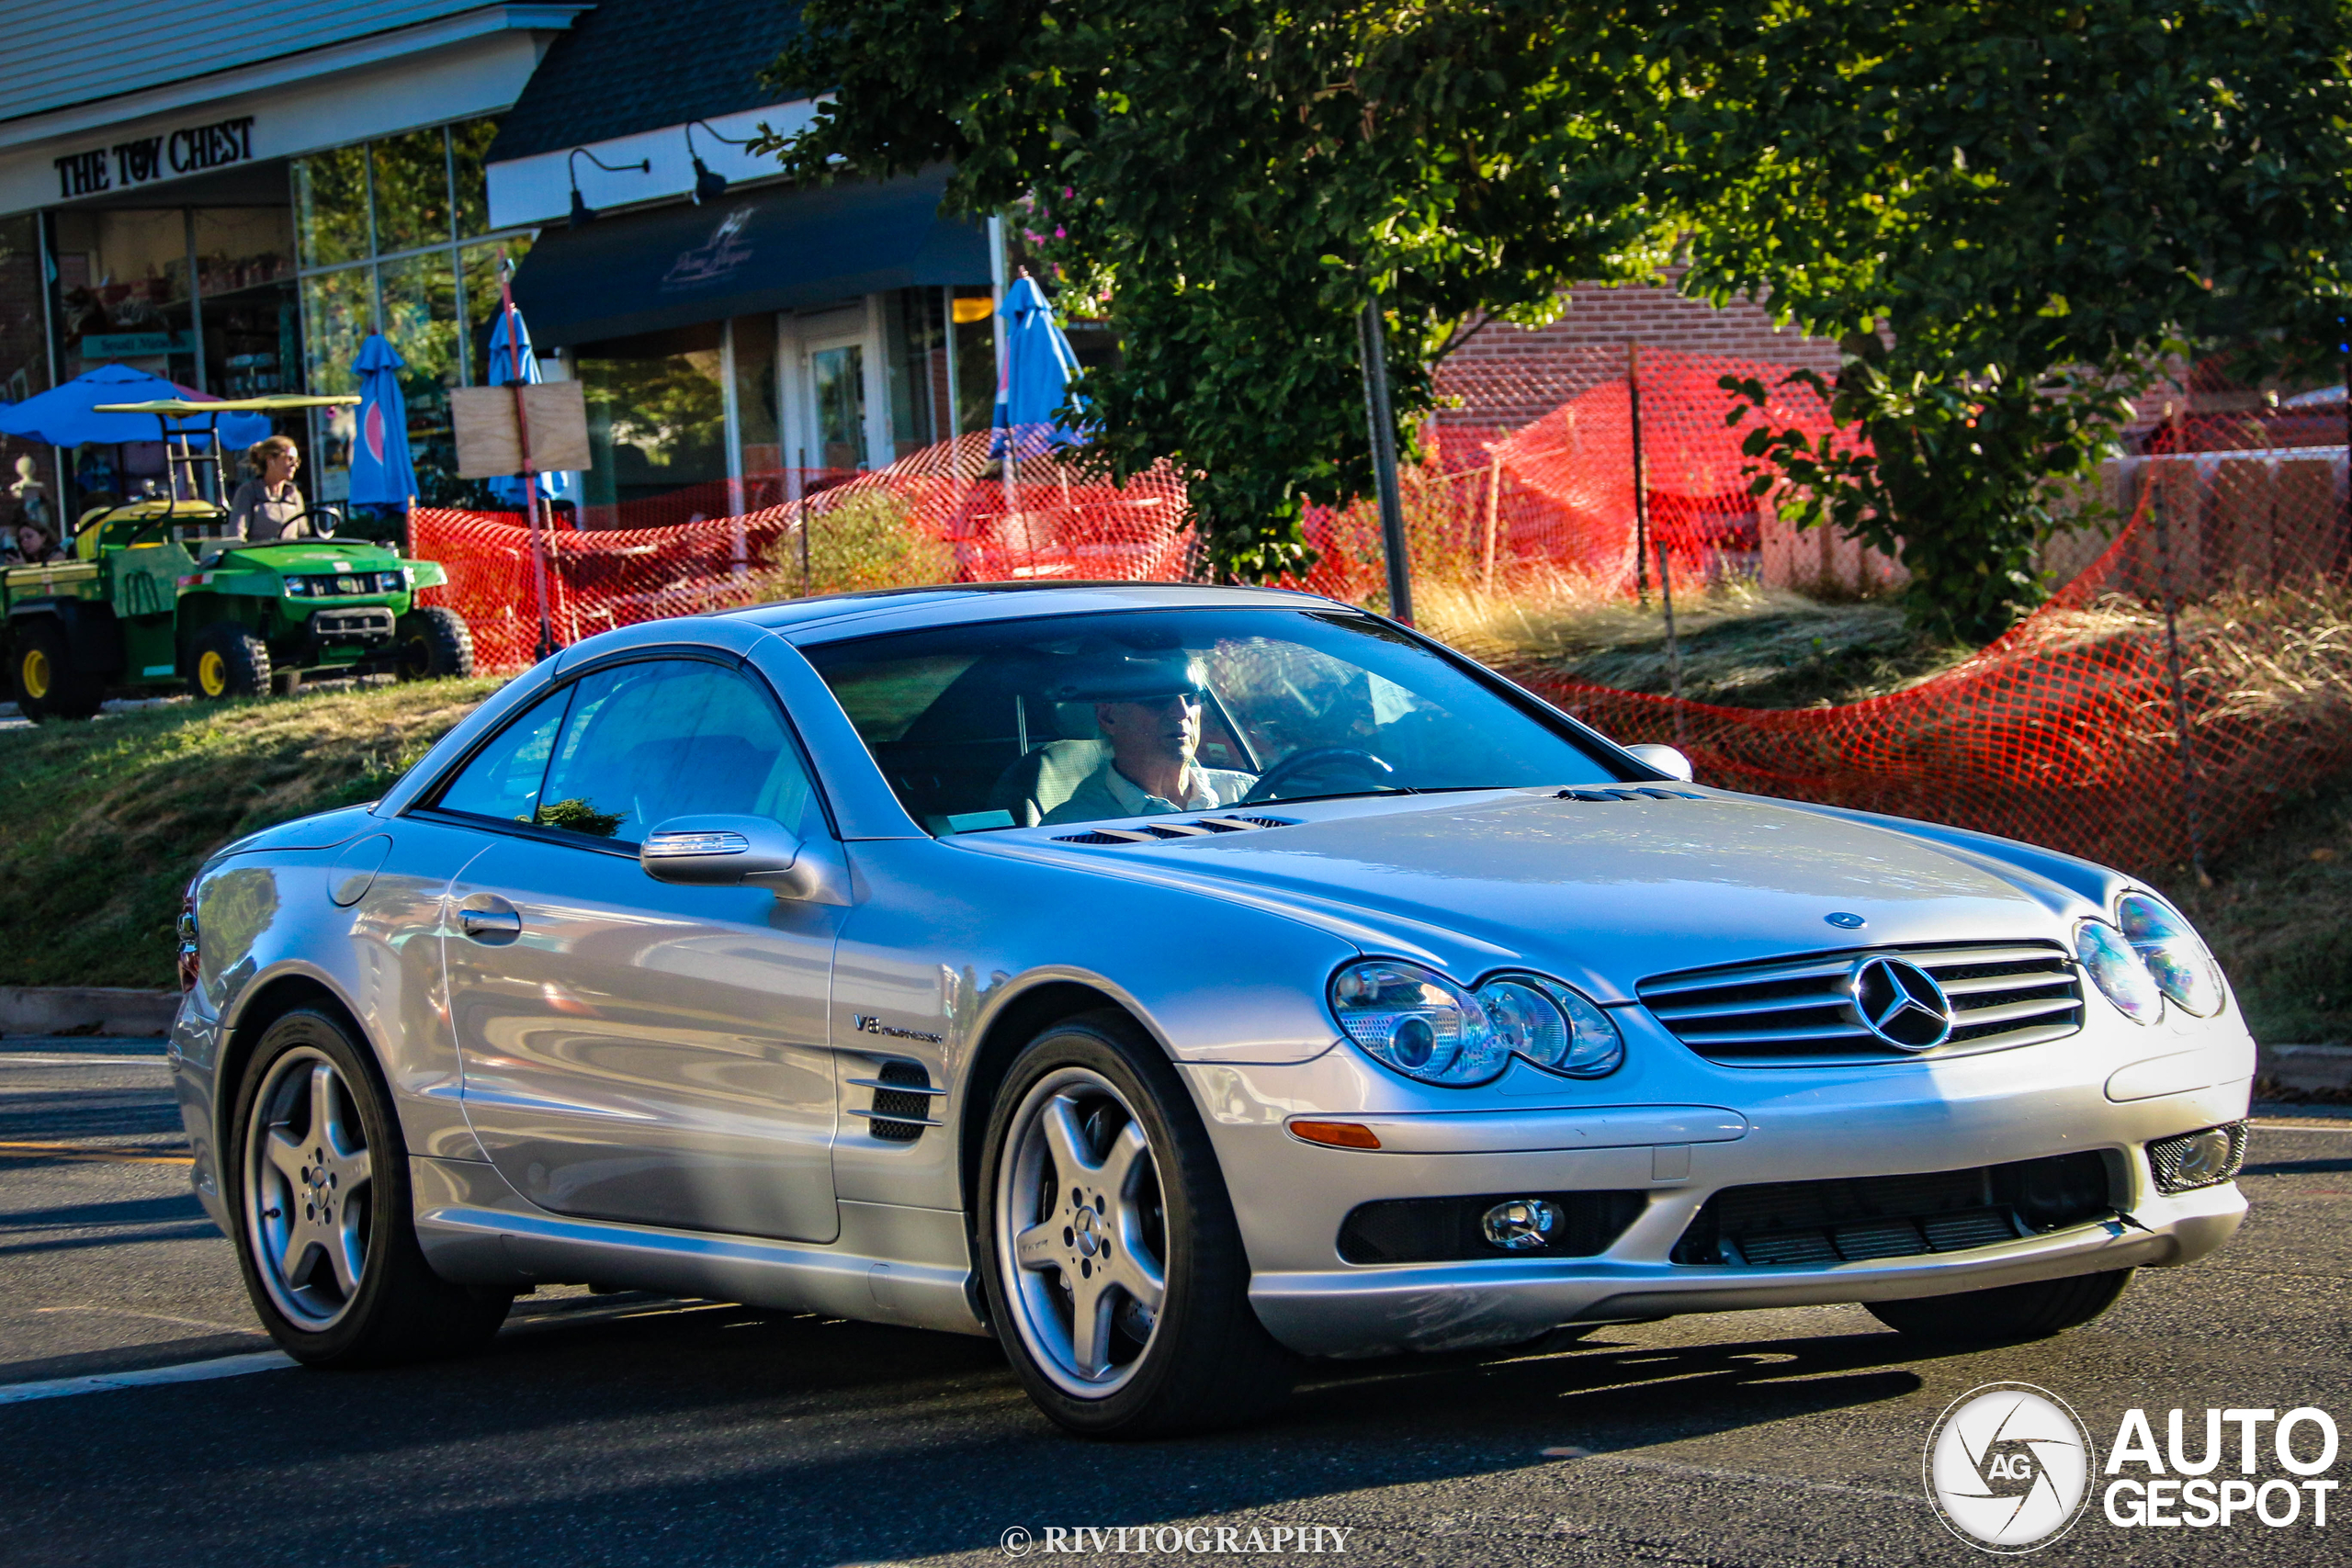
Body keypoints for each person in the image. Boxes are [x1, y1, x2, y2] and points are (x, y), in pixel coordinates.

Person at [1042, 650, 1255, 824]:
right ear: (1108, 717)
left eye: (1191, 698)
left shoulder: (1246, 795)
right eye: (1159, 698)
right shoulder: (1072, 826)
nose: (1182, 712)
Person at [227, 435, 308, 540]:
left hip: (291, 554)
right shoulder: (248, 492)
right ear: (270, 459)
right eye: (289, 459)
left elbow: (304, 534)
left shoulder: (294, 494)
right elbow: (236, 535)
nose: (294, 465)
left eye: (297, 461)